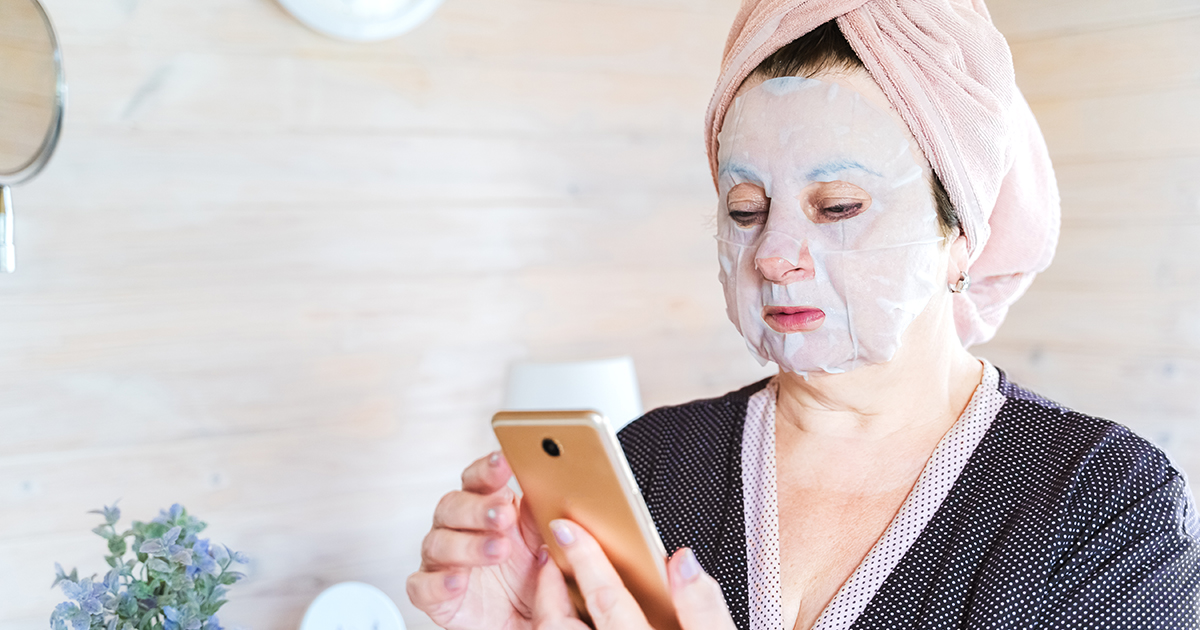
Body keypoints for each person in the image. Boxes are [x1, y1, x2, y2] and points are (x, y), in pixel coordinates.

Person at [407, 0, 1200, 628]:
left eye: (839, 205)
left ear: (961, 238)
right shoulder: (647, 466)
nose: (773, 253)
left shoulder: (1102, 504)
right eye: (746, 210)